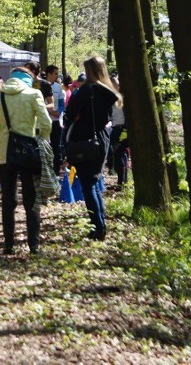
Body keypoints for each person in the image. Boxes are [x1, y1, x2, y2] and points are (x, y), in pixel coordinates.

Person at [0, 67, 51, 255]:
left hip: (5, 155)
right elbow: (46, 124)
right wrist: (42, 143)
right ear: (28, 80)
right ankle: (34, 246)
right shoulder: (33, 94)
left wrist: (1, 142)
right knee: (31, 200)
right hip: (29, 153)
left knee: (8, 200)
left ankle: (8, 244)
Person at [63, 56, 121, 241]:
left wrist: (79, 116)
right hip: (102, 138)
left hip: (84, 139)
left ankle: (98, 227)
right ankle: (100, 224)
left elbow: (69, 114)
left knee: (88, 185)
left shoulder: (85, 91)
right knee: (94, 182)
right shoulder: (109, 92)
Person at [45, 65, 64, 175]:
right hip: (44, 121)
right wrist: (50, 112)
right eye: (55, 73)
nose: (57, 75)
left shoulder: (58, 87)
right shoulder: (40, 86)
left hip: (56, 121)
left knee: (56, 147)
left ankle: (56, 172)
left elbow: (62, 103)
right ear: (49, 74)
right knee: (46, 146)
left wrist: (59, 111)